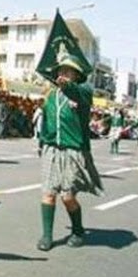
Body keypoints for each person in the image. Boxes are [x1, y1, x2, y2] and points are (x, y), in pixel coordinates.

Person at [36, 54, 103, 251]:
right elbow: (47, 120)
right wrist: (42, 142)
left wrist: (68, 87)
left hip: (73, 149)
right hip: (51, 148)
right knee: (48, 193)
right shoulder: (50, 94)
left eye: (68, 70)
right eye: (61, 70)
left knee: (67, 196)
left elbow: (77, 95)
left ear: (76, 75)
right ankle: (47, 236)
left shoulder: (83, 92)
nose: (63, 73)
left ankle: (78, 230)